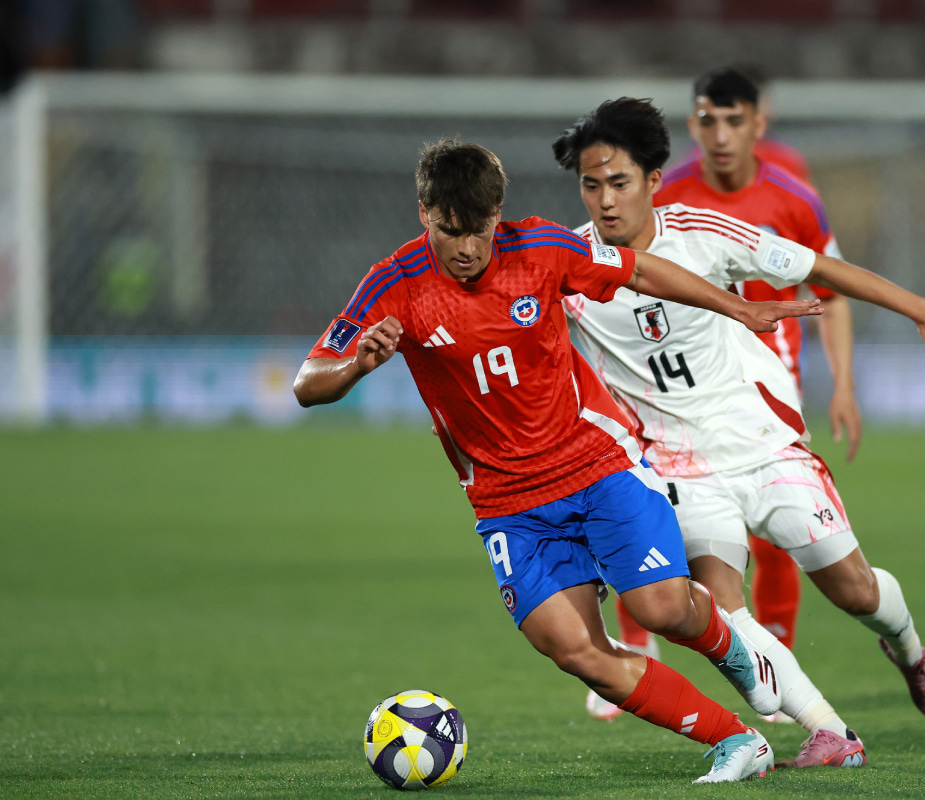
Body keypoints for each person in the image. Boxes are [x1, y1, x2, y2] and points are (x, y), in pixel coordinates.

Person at [293, 139, 829, 784]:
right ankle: (738, 741)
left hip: (596, 466)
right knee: (576, 650)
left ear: (501, 215)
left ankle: (735, 649)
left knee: (662, 611)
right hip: (508, 504)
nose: (464, 249)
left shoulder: (543, 249)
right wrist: (359, 364)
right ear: (423, 214)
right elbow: (308, 382)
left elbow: (638, 269)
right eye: (447, 231)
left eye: (478, 231)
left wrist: (737, 306)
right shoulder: (394, 284)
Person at [552, 99, 925, 767]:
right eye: (591, 185)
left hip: (761, 445)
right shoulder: (565, 265)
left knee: (856, 591)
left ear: (653, 182)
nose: (605, 201)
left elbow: (821, 268)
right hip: (679, 470)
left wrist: (921, 309)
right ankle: (830, 732)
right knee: (722, 607)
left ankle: (909, 650)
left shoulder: (703, 233)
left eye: (619, 183)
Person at [595, 66, 862, 710]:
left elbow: (828, 285)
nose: (719, 134)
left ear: (758, 124)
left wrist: (844, 384)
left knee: (779, 541)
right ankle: (644, 645)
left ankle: (780, 658)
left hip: (766, 375)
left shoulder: (793, 190)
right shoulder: (666, 190)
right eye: (707, 119)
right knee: (647, 502)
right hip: (666, 379)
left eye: (733, 119)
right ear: (691, 125)